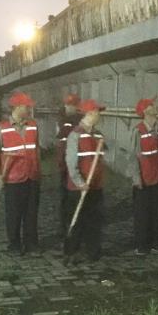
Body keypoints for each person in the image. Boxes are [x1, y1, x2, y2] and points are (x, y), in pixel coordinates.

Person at [0, 92, 41, 255]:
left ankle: (31, 244)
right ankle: (14, 244)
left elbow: (37, 149)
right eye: (26, 106)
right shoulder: (2, 128)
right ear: (17, 107)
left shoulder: (33, 125)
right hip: (12, 177)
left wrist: (38, 170)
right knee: (14, 213)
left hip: (32, 175)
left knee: (31, 213)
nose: (29, 109)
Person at [64, 99, 107, 262]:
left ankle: (93, 251)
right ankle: (72, 251)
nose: (99, 115)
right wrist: (80, 182)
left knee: (95, 220)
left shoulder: (98, 135)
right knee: (78, 220)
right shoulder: (75, 135)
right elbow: (71, 162)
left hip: (96, 185)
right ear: (89, 113)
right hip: (79, 187)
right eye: (97, 112)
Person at [129, 97, 158, 255]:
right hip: (143, 178)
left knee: (156, 211)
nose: (155, 107)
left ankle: (155, 242)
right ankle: (142, 245)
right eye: (151, 105)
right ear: (144, 111)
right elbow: (133, 156)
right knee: (142, 214)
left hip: (157, 177)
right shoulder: (138, 131)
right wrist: (136, 178)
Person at [56, 93, 81, 236]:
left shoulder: (77, 120)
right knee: (65, 196)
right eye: (69, 105)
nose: (71, 107)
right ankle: (64, 225)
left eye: (73, 105)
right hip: (65, 163)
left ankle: (74, 223)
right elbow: (61, 144)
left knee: (73, 195)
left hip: (75, 162)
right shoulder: (63, 120)